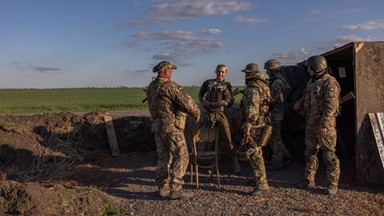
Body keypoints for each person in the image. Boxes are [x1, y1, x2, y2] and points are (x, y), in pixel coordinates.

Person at [146, 60, 200, 199]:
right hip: (171, 127)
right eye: (170, 70)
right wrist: (196, 112)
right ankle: (176, 188)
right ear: (164, 71)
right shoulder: (170, 86)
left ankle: (162, 187)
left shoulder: (152, 86)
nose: (171, 73)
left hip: (157, 127)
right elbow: (187, 102)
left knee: (163, 157)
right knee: (182, 155)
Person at [293, 55, 341, 195]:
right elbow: (305, 97)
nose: (308, 70)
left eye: (309, 67)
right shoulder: (312, 82)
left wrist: (324, 125)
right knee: (309, 152)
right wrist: (299, 103)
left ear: (317, 68)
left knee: (328, 155)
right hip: (311, 124)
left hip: (324, 126)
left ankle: (332, 184)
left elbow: (331, 107)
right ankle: (309, 179)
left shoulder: (330, 83)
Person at [198, 64, 241, 174]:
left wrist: (212, 103)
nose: (220, 74)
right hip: (209, 115)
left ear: (225, 73)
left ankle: (235, 162)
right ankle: (211, 165)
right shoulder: (208, 83)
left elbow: (225, 101)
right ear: (215, 71)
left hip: (221, 114)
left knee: (228, 138)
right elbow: (200, 95)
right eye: (219, 71)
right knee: (209, 140)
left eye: (222, 72)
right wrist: (203, 103)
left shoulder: (227, 85)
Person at [238, 63, 271, 196]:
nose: (245, 75)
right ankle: (258, 179)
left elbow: (252, 109)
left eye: (246, 72)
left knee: (255, 153)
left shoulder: (253, 88)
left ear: (251, 74)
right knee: (257, 152)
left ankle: (262, 185)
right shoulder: (264, 85)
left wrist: (248, 124)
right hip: (261, 122)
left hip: (254, 125)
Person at [264, 59, 293, 170]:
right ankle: (287, 156)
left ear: (272, 70)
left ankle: (277, 162)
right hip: (276, 113)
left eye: (267, 69)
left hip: (275, 113)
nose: (266, 72)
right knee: (276, 138)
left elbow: (271, 99)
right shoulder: (276, 80)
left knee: (274, 138)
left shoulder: (277, 82)